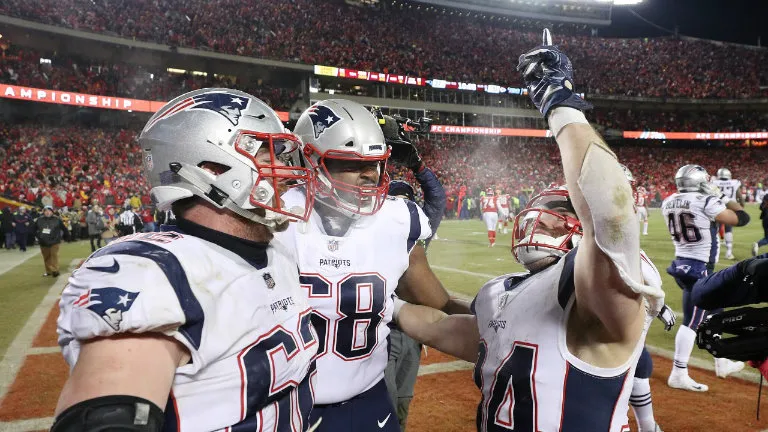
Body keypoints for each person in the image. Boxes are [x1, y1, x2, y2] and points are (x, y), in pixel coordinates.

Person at [393, 29, 664, 430]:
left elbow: (611, 213)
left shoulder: (595, 297)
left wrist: (561, 103)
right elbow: (441, 327)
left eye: (560, 210)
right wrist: (381, 304)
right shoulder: (500, 293)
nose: (544, 217)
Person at [53, 88, 318, 432]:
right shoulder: (158, 272)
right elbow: (107, 421)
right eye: (267, 154)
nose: (283, 169)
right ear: (212, 168)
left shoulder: (277, 253)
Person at [279, 99, 469, 432]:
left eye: (377, 162)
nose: (370, 174)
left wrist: (505, 314)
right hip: (289, 406)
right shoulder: (272, 216)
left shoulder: (396, 218)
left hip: (369, 397)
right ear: (310, 161)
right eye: (352, 163)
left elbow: (437, 304)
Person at [380, 113, 447, 430]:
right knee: (382, 400)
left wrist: (417, 164)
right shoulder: (375, 223)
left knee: (401, 401)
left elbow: (437, 197)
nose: (401, 205)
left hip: (411, 324)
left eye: (406, 198)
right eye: (394, 197)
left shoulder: (419, 225)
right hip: (380, 321)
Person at [662, 164, 750, 392]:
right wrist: (720, 195)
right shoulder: (705, 201)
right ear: (701, 181)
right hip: (699, 267)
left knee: (716, 311)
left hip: (682, 262)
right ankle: (678, 373)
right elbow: (741, 218)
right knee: (692, 322)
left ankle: (721, 361)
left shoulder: (668, 201)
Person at [711, 167, 742, 260]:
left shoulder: (714, 182)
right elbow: (739, 196)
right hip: (729, 207)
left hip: (716, 207)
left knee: (714, 229)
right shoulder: (734, 182)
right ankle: (728, 253)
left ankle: (713, 251)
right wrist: (741, 206)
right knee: (728, 229)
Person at [33, 205, 68, 277]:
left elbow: (64, 229)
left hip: (54, 241)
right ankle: (49, 271)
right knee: (46, 257)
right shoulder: (39, 220)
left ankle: (55, 270)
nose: (47, 212)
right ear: (43, 212)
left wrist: (66, 236)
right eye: (45, 211)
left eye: (49, 211)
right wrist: (39, 237)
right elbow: (33, 229)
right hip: (43, 241)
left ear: (52, 212)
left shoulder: (57, 219)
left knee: (54, 255)